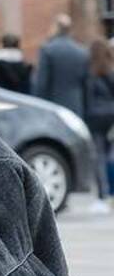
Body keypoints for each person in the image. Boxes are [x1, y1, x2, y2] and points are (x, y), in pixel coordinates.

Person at [34, 13, 89, 117]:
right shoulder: (82, 51)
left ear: (55, 27)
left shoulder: (48, 50)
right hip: (76, 105)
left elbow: (41, 84)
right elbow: (86, 84)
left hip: (54, 106)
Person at [84, 38, 114, 212]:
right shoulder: (110, 70)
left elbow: (87, 97)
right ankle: (111, 192)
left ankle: (102, 195)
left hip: (94, 117)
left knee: (98, 155)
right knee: (110, 155)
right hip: (111, 116)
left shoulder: (90, 72)